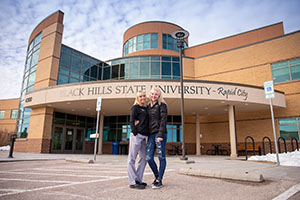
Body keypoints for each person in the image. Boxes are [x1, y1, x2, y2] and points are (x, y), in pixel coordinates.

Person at [146, 87, 168, 189]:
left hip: (160, 134)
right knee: (149, 158)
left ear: (159, 95)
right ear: (149, 95)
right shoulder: (147, 106)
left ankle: (159, 179)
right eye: (152, 94)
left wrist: (160, 135)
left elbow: (163, 120)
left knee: (161, 157)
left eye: (156, 94)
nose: (153, 96)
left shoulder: (162, 105)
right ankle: (157, 175)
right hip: (151, 135)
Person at [127, 91, 149, 189]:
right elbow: (131, 121)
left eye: (144, 96)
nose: (142, 98)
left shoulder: (146, 108)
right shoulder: (135, 108)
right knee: (132, 159)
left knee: (144, 158)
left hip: (144, 137)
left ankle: (138, 179)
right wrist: (135, 132)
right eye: (140, 96)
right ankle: (132, 181)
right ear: (137, 98)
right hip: (136, 136)